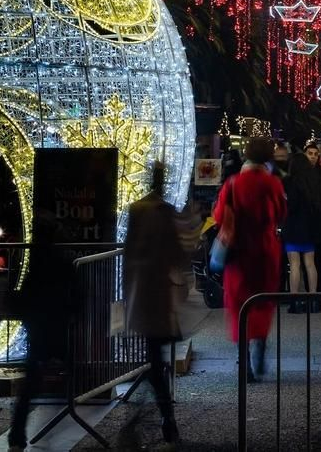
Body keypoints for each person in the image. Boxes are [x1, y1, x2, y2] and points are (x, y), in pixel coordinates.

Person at [121, 162, 188, 445]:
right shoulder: (166, 212)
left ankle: (155, 416)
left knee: (154, 360)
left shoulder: (138, 210)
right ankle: (164, 417)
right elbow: (177, 255)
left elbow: (129, 253)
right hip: (159, 296)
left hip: (143, 293)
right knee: (155, 358)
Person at [214, 137, 287, 381]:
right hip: (265, 252)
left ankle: (243, 361)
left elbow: (218, 216)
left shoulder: (234, 183)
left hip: (238, 254)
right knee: (263, 303)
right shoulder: (273, 183)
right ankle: (260, 351)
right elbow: (281, 213)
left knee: (238, 306)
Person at [7, 208, 76, 452]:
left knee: (30, 382)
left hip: (38, 323)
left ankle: (17, 435)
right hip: (55, 322)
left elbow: (23, 293)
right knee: (69, 367)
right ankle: (59, 416)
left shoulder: (33, 259)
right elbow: (74, 291)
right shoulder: (60, 259)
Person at [283, 150, 321, 312]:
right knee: (310, 263)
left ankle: (295, 300)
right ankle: (313, 299)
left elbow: (290, 205)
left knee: (294, 264)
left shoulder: (290, 181)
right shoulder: (314, 179)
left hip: (293, 225)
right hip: (311, 225)